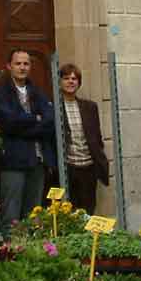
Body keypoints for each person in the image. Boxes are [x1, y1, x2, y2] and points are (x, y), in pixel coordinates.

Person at [0, 49, 56, 229]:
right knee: (11, 214)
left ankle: (32, 245)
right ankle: (11, 245)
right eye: (18, 63)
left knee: (34, 214)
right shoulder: (0, 94)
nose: (22, 67)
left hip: (37, 160)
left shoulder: (38, 92)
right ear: (9, 66)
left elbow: (49, 120)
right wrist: (35, 119)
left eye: (26, 64)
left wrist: (24, 126)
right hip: (13, 161)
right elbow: (9, 122)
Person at [58, 64, 109, 214]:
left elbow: (96, 137)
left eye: (74, 78)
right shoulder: (54, 107)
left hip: (88, 167)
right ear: (59, 82)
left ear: (79, 82)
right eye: (66, 78)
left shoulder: (90, 107)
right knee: (68, 211)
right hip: (68, 168)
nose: (70, 81)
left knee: (88, 210)